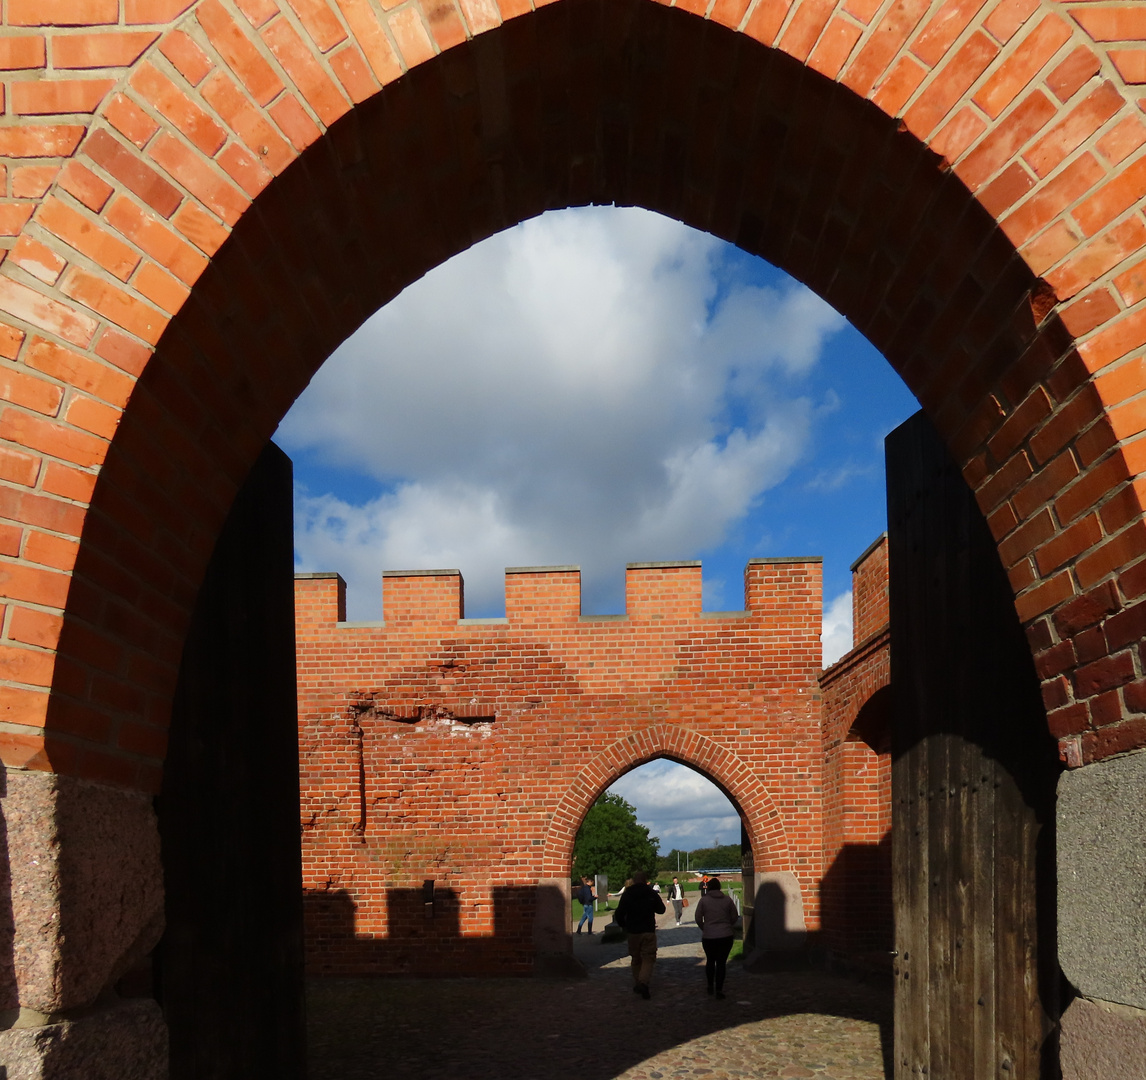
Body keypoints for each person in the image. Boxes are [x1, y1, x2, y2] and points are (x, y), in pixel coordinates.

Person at [613, 870, 665, 999]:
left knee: (636, 958)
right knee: (648, 958)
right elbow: (661, 910)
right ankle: (643, 982)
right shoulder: (650, 892)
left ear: (635, 880)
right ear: (645, 880)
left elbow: (619, 913)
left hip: (633, 931)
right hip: (648, 929)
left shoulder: (628, 894)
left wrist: (623, 925)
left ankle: (638, 982)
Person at [693, 876, 739, 999]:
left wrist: (704, 927)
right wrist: (728, 925)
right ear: (719, 887)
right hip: (725, 935)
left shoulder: (704, 901)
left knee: (710, 961)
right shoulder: (727, 900)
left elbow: (697, 917)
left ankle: (709, 985)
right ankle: (719, 989)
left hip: (709, 936)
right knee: (721, 963)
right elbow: (734, 916)